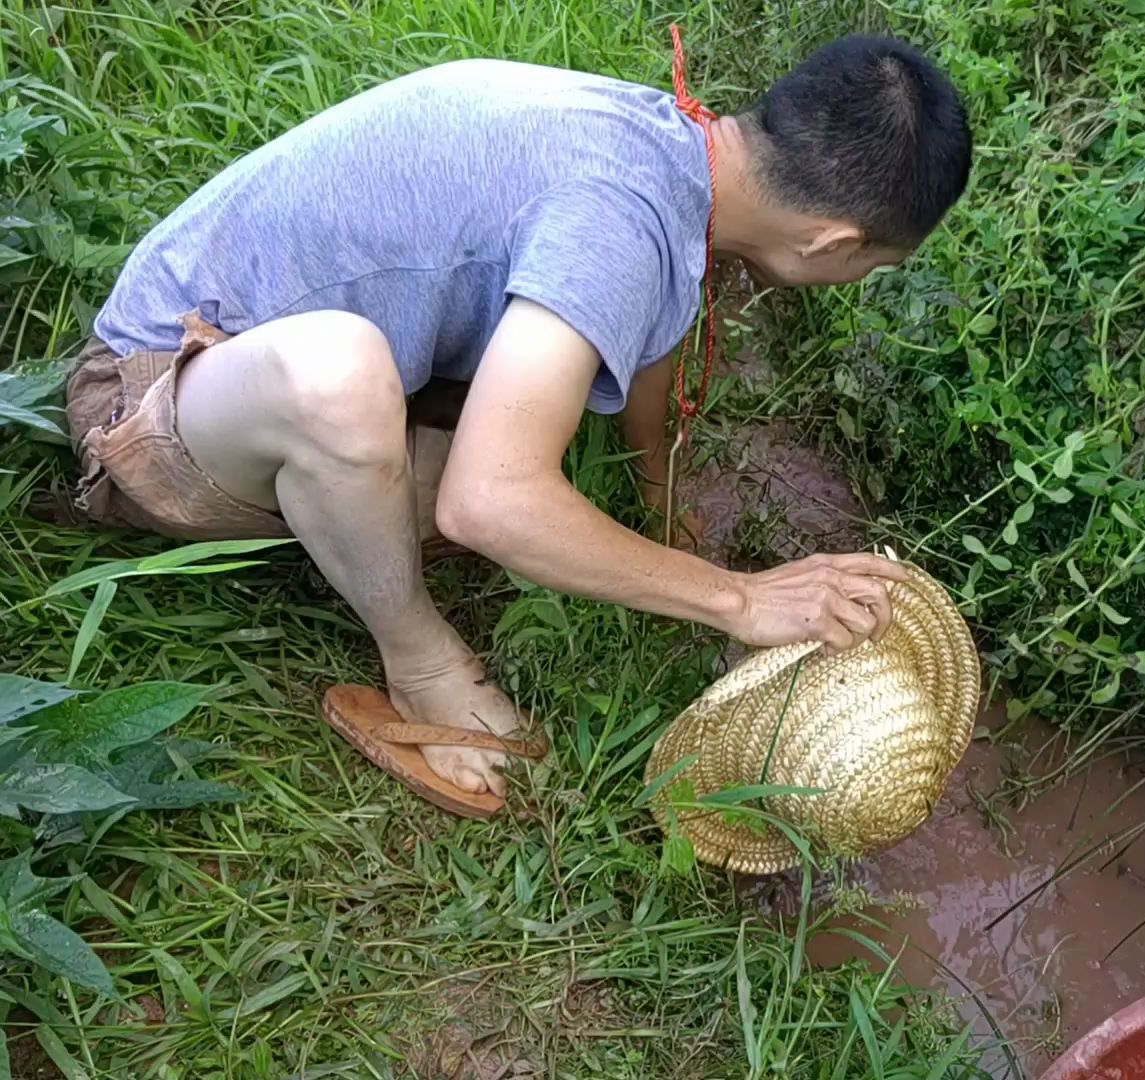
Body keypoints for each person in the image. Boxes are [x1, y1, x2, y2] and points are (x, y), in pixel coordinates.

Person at [63, 32, 973, 806]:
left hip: (250, 356)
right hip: (154, 397)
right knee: (364, 402)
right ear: (835, 244)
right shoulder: (616, 222)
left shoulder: (675, 153)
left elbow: (652, 319)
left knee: (494, 454)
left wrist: (663, 501)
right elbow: (488, 504)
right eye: (875, 267)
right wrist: (738, 599)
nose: (861, 278)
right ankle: (418, 660)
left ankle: (357, 493)